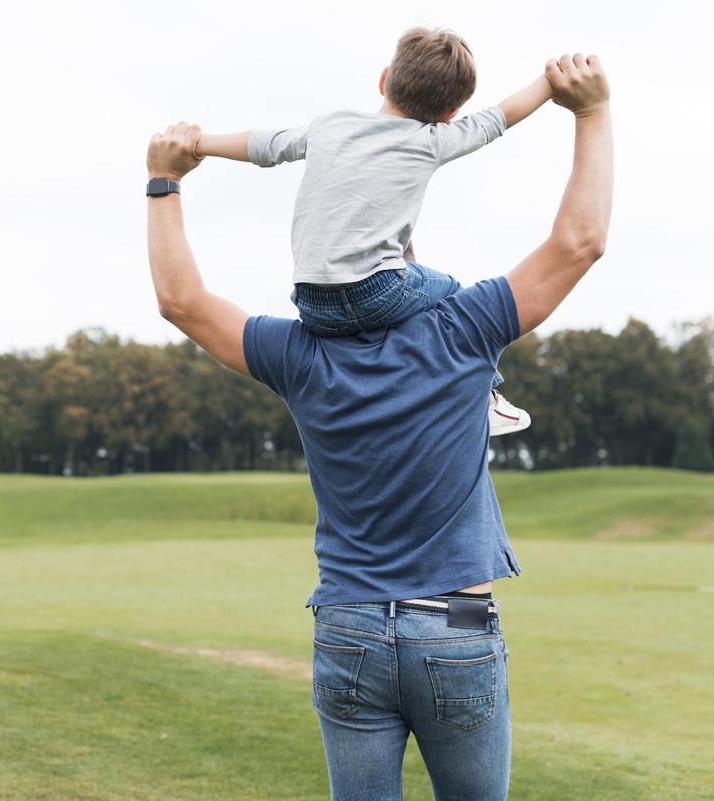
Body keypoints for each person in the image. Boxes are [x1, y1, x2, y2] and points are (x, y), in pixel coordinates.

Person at [144, 52, 611, 801]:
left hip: (350, 622)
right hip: (455, 622)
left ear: (384, 85)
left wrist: (163, 180)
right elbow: (579, 241)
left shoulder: (299, 354)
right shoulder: (465, 328)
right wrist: (589, 112)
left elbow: (182, 300)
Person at [194, 27, 556, 436]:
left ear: (384, 79)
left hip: (312, 302)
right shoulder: (433, 139)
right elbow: (499, 117)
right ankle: (488, 399)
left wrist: (199, 144)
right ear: (451, 114)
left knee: (409, 263)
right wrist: (549, 81)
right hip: (375, 293)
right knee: (453, 292)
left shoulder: (331, 126)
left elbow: (265, 145)